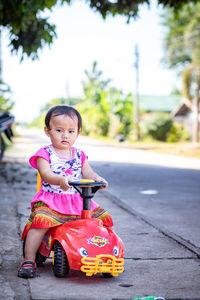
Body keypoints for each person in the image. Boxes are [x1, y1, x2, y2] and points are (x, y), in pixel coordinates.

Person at [18, 105, 113, 278]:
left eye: (71, 131)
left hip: (76, 202)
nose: (65, 135)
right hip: (51, 200)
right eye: (59, 130)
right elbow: (46, 174)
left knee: (101, 223)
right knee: (39, 226)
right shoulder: (44, 154)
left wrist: (97, 179)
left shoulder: (79, 155)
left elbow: (88, 172)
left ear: (78, 132)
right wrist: (60, 180)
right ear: (48, 131)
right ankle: (29, 260)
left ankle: (103, 255)